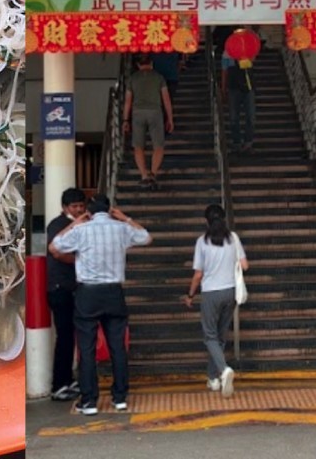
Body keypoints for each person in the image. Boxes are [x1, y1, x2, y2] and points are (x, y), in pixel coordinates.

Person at [49, 193, 152, 416]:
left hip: (88, 293)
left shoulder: (81, 230)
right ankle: (120, 398)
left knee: (86, 349)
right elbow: (145, 237)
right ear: (110, 210)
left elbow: (55, 246)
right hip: (114, 292)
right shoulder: (121, 228)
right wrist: (124, 218)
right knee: (118, 347)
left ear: (90, 212)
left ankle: (89, 401)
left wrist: (75, 223)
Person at [183, 204, 248, 398]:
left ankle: (224, 370)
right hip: (230, 292)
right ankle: (213, 378)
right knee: (219, 336)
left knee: (210, 336)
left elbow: (198, 274)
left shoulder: (202, 242)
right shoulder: (233, 238)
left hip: (211, 293)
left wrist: (190, 295)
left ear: (206, 221)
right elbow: (245, 265)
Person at [46, 187, 87, 401]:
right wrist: (83, 262)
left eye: (82, 205)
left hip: (70, 287)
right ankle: (58, 384)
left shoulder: (78, 224)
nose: (79, 209)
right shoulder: (58, 225)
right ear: (65, 208)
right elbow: (57, 253)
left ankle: (67, 380)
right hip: (60, 288)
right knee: (64, 337)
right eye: (75, 206)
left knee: (69, 336)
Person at [123, 54, 174, 190]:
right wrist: (170, 118)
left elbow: (128, 101)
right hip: (155, 112)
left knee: (138, 146)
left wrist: (125, 120)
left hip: (137, 113)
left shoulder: (133, 79)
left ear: (138, 65)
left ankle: (144, 175)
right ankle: (153, 173)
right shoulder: (159, 77)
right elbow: (166, 100)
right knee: (158, 145)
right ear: (151, 64)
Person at [221, 39, 257, 154]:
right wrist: (223, 88)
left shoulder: (247, 50)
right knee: (233, 118)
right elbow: (224, 71)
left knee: (250, 117)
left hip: (247, 86)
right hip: (233, 87)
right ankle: (236, 142)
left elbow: (252, 61)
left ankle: (248, 142)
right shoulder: (227, 53)